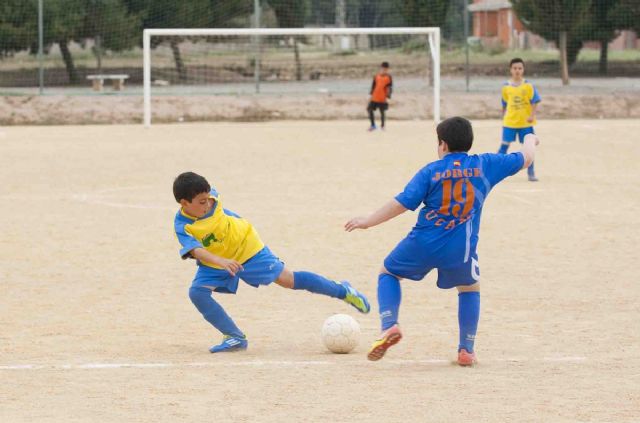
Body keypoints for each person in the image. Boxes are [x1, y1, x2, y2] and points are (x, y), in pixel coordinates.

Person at [345, 117, 538, 366]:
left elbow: (401, 203)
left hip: (422, 242)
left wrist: (368, 221)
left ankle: (389, 324)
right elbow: (527, 157)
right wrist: (530, 138)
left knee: (388, 273)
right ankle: (466, 349)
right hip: (460, 249)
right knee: (469, 288)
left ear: (442, 145)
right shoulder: (486, 164)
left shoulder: (430, 171)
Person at [173, 172, 370, 353]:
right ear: (184, 203)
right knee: (197, 292)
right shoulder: (183, 225)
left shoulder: (211, 195)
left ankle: (344, 291)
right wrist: (221, 261)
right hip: (217, 260)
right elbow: (196, 250)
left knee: (288, 280)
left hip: (247, 248)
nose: (208, 204)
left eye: (208, 199)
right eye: (201, 202)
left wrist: (224, 258)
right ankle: (235, 336)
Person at [499, 57, 541, 182]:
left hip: (525, 123)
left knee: (529, 148)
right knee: (504, 147)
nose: (517, 71)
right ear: (510, 70)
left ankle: (531, 173)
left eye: (520, 68)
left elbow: (535, 101)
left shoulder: (528, 86)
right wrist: (503, 116)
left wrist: (532, 115)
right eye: (515, 68)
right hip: (510, 122)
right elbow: (504, 103)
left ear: (523, 70)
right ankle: (497, 170)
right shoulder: (506, 87)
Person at [367, 61, 393, 131]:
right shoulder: (376, 76)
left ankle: (382, 126)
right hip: (374, 97)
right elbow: (373, 86)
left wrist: (388, 97)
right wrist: (370, 95)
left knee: (382, 112)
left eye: (386, 69)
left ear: (387, 70)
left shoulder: (388, 77)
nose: (384, 70)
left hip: (382, 98)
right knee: (369, 109)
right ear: (380, 68)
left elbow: (389, 88)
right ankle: (373, 125)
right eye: (383, 69)